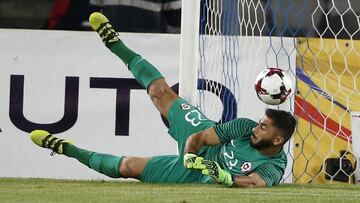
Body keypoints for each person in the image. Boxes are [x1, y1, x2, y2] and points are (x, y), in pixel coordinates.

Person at [30, 12, 297, 188]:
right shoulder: (243, 127)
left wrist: (219, 173)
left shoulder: (275, 164)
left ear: (277, 140)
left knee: (127, 166)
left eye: (263, 128)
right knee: (160, 92)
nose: (255, 128)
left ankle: (68, 149)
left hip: (199, 175)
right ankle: (115, 44)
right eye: (260, 123)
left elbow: (252, 183)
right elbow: (200, 138)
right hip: (198, 154)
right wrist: (192, 156)